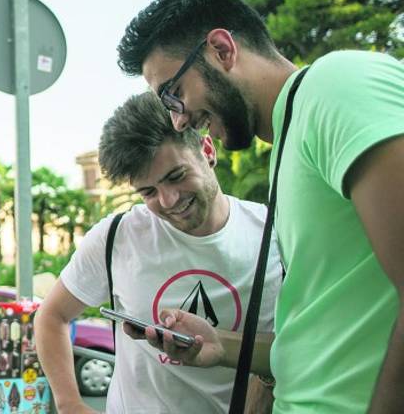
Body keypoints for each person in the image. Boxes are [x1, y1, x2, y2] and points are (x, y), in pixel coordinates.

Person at [117, 0, 404, 413]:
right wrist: (223, 345)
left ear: (221, 49)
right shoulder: (289, 146)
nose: (178, 118)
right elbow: (327, 339)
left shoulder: (338, 85)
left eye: (173, 93)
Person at [34, 91, 282, 413]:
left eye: (176, 176)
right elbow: (51, 316)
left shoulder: (273, 234)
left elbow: (296, 348)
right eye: (148, 192)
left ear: (207, 150)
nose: (168, 200)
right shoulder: (117, 237)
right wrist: (70, 404)